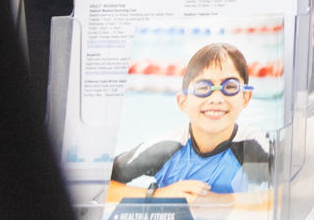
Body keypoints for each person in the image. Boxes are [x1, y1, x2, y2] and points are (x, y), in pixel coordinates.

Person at [109, 43, 272, 202]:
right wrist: (158, 195)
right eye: (203, 88)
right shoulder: (167, 148)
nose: (216, 99)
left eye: (230, 87)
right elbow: (99, 185)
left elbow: (293, 192)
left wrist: (219, 202)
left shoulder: (253, 145)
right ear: (183, 102)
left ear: (245, 98)